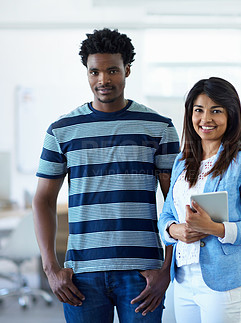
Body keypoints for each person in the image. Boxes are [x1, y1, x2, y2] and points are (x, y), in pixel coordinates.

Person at [32, 28, 180, 323]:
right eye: (94, 72)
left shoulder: (158, 128)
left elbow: (174, 203)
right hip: (81, 276)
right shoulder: (62, 131)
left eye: (112, 70)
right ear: (86, 73)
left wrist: (166, 270)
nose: (103, 80)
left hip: (142, 275)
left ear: (127, 70)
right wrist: (51, 269)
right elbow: (43, 200)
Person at [157, 77, 241, 323]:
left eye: (216, 111)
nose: (205, 119)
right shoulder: (182, 161)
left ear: (230, 115)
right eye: (198, 110)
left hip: (227, 282)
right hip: (184, 280)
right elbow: (166, 215)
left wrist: (216, 229)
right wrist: (175, 230)